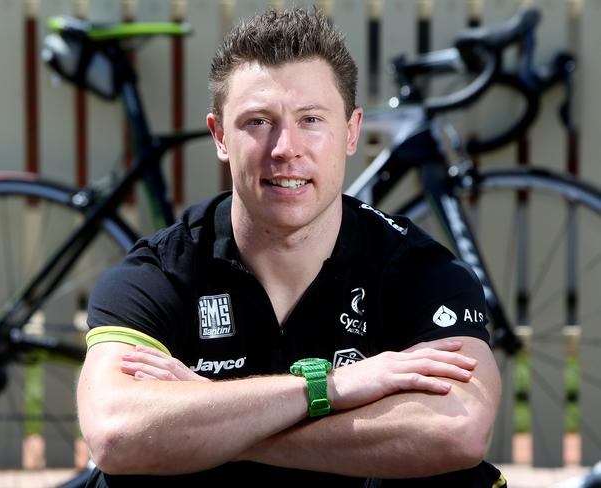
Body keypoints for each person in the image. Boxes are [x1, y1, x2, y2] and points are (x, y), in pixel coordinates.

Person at [78, 6, 505, 487]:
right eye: (259, 121)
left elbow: (458, 431)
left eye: (311, 119)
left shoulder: (419, 270)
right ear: (220, 135)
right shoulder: (160, 272)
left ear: (350, 131)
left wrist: (223, 427)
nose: (285, 147)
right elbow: (116, 434)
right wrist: (330, 388)